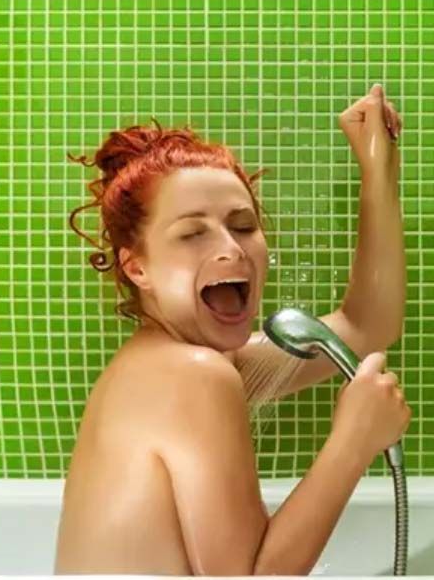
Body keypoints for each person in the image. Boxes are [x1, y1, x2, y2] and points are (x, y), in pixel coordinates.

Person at [54, 83, 411, 575]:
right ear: (138, 268)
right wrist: (352, 444)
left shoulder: (172, 361)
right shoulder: (192, 374)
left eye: (243, 225)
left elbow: (367, 324)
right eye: (193, 233)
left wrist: (379, 170)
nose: (232, 249)